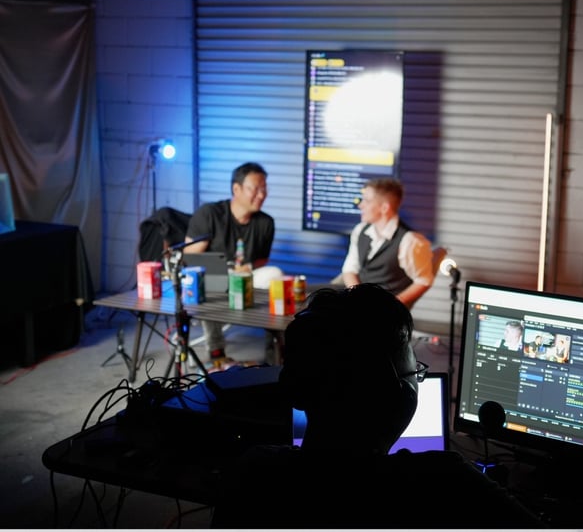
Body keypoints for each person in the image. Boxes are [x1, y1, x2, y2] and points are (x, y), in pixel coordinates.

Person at [211, 284, 541, 528]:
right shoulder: (445, 482)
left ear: (295, 387)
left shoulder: (253, 472)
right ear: (396, 391)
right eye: (414, 373)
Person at [183, 162, 275, 363]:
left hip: (247, 277)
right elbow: (188, 257)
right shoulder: (209, 213)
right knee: (207, 283)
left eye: (264, 189)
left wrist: (247, 268)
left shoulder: (266, 223)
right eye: (255, 189)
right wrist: (204, 245)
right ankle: (217, 355)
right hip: (215, 278)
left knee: (275, 275)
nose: (261, 195)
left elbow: (263, 260)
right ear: (237, 189)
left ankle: (274, 356)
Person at [341, 177, 434, 309]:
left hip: (383, 308)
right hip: (358, 298)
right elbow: (350, 270)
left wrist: (391, 307)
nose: (360, 205)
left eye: (366, 200)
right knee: (314, 300)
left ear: (384, 208)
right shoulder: (360, 229)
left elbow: (423, 281)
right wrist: (358, 299)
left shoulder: (410, 241)